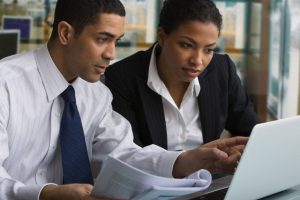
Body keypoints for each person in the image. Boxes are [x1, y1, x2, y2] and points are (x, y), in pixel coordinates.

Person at [0, 0, 247, 199]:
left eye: (116, 41)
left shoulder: (95, 94)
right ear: (65, 33)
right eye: (102, 39)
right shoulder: (6, 84)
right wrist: (47, 194)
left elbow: (124, 155)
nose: (111, 54)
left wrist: (187, 160)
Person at [105, 0, 260, 151]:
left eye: (209, 49)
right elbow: (130, 154)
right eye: (186, 45)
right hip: (151, 175)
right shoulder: (122, 76)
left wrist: (233, 153)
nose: (197, 61)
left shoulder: (222, 70)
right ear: (162, 37)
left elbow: (250, 131)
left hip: (210, 175)